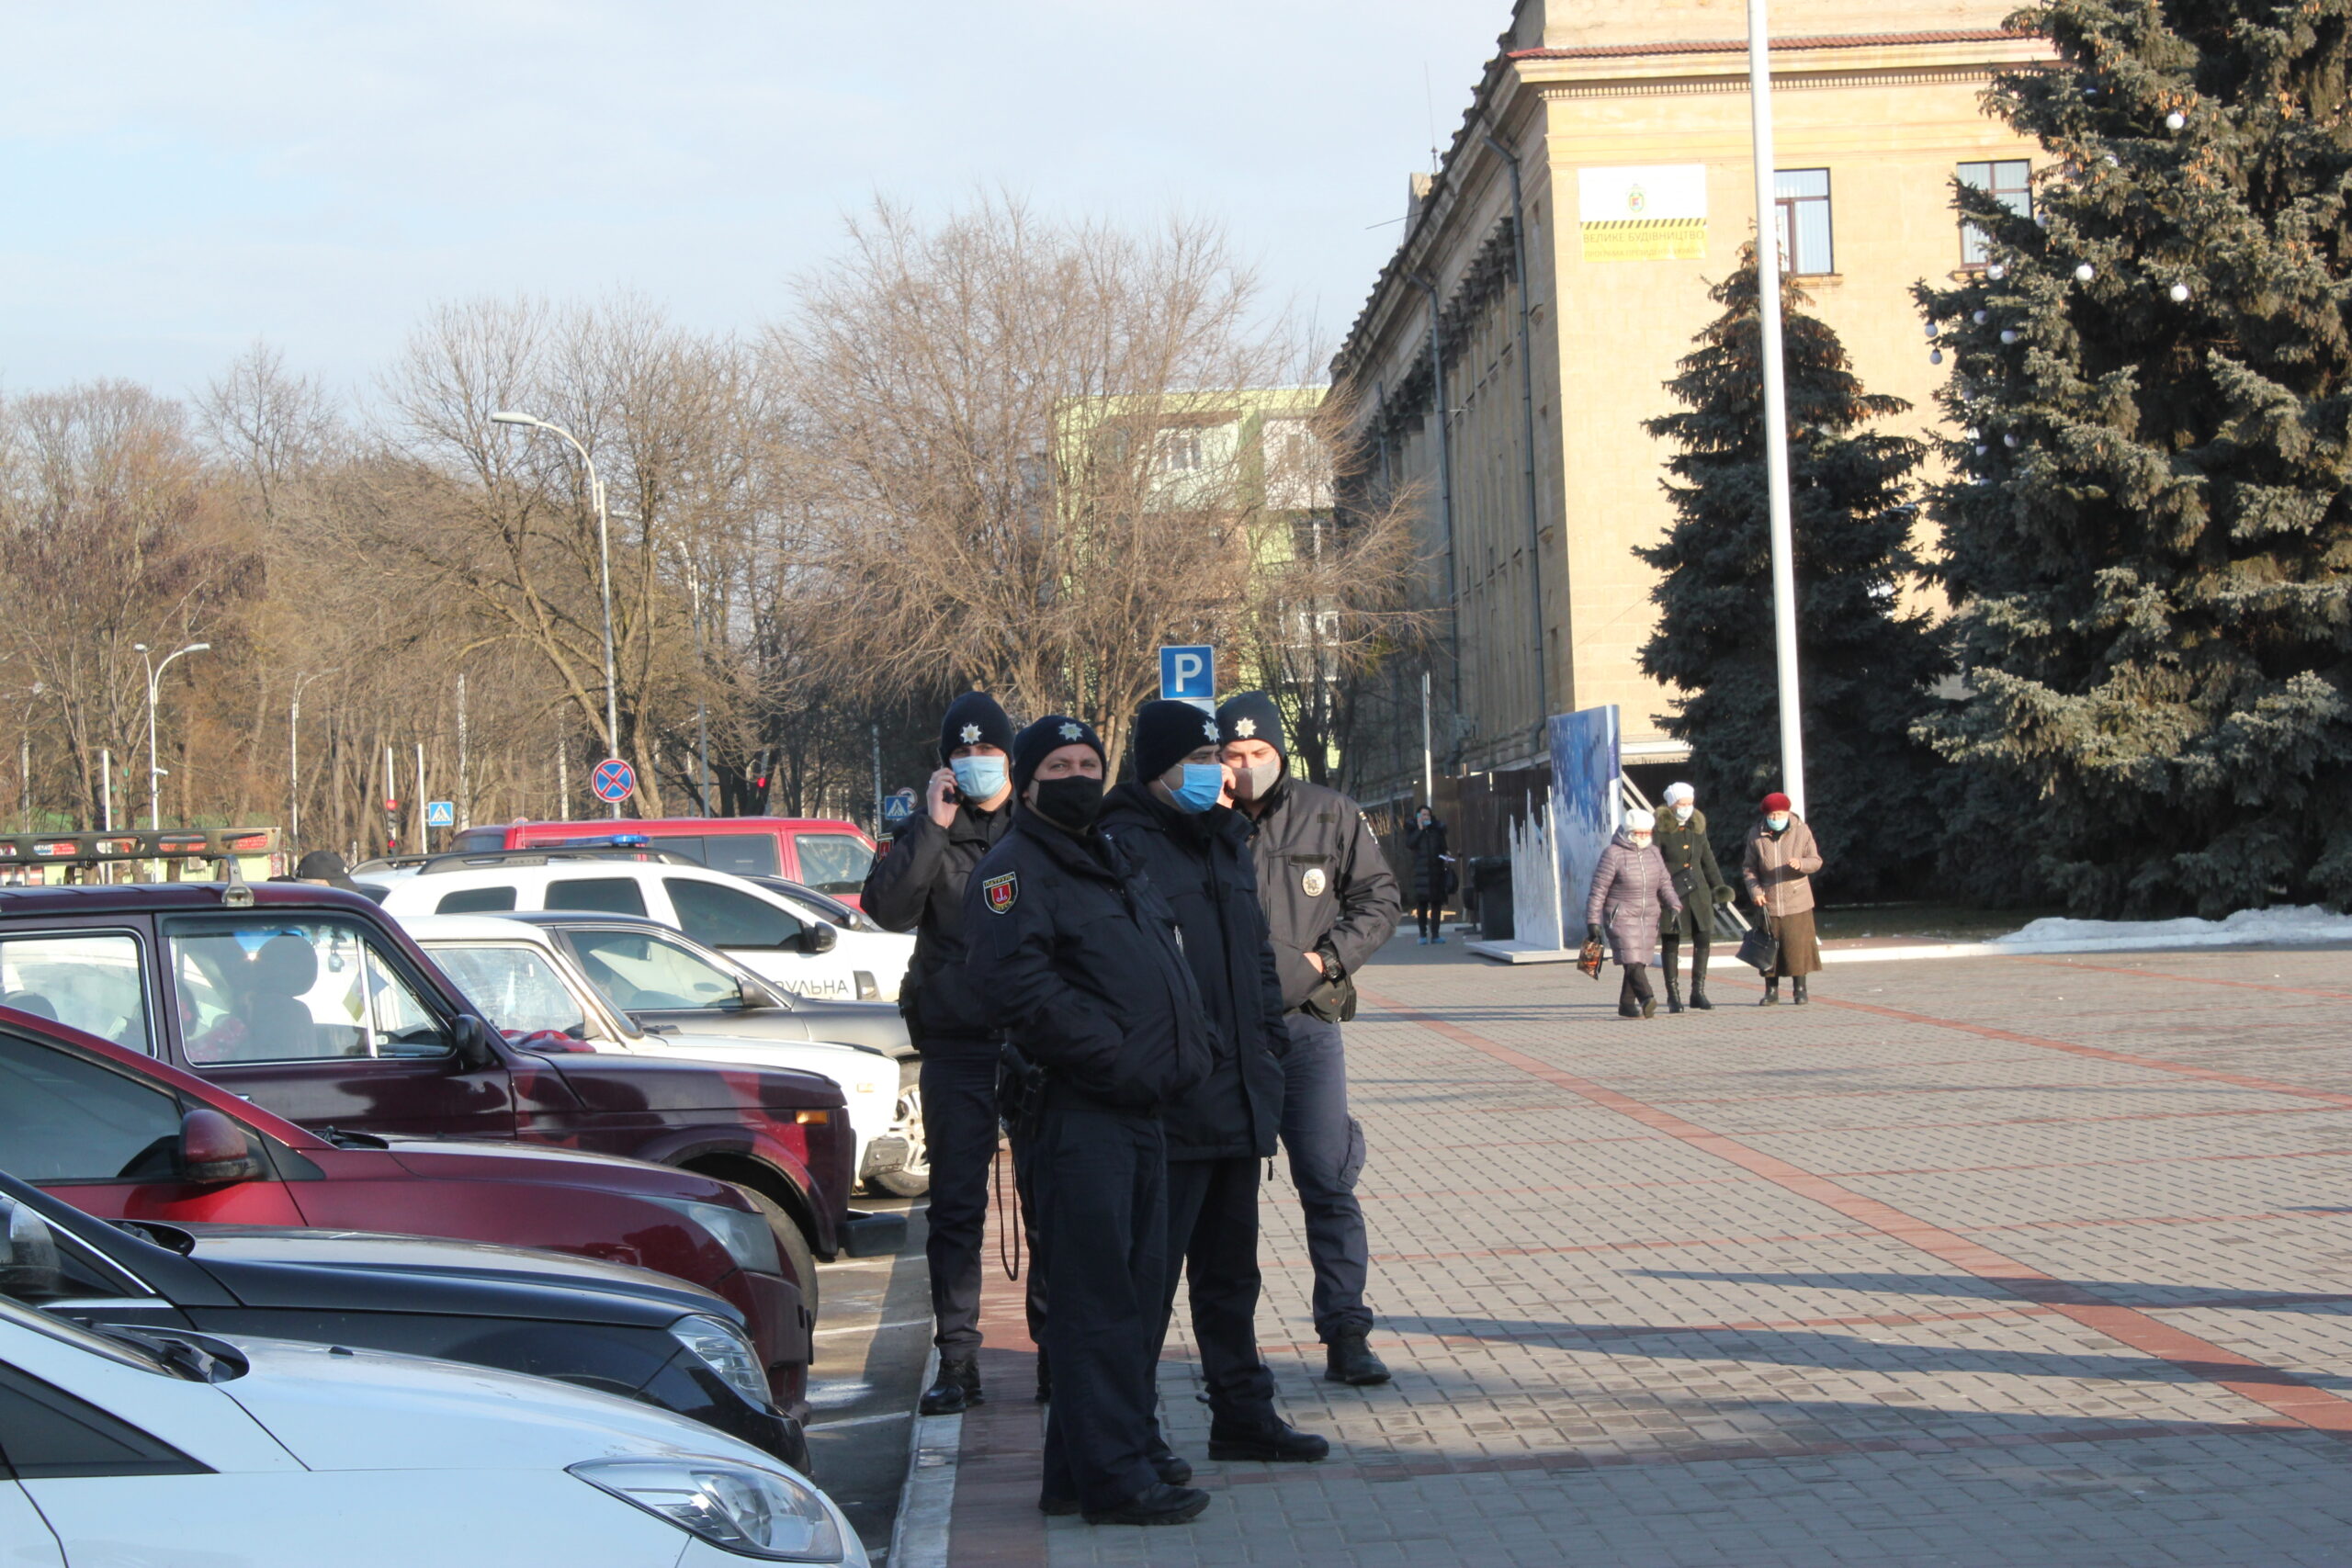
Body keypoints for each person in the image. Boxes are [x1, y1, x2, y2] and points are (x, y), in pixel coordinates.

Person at [964, 714, 1215, 1527]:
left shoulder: (1107, 857)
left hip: (1140, 1111)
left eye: (1088, 763)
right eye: (1059, 766)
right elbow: (1018, 990)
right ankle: (1117, 1481)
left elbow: (1159, 962)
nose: (1077, 776)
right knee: (1097, 1305)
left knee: (1132, 1299)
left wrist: (1190, 1043)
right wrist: (1116, 1054)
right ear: (1029, 783)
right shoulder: (1013, 869)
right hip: (1078, 1117)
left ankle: (1089, 1465)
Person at [1100, 701, 1329, 1468]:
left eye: (1217, 760)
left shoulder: (1228, 841)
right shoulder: (1122, 843)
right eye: (1197, 762)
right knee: (1148, 1285)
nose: (1216, 773)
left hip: (1235, 1095)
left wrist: (1265, 1048)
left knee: (1232, 1278)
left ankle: (1243, 1415)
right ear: (1157, 770)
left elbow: (1258, 961)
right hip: (1168, 1103)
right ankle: (1135, 1438)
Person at [1216, 691, 1402, 1386]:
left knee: (1326, 1177)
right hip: (1224, 1033)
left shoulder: (1330, 812)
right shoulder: (1200, 818)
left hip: (1307, 1026)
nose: (1244, 767)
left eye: (1257, 752)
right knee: (1224, 1194)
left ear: (1278, 752)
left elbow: (1380, 899)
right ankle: (1231, 1357)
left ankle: (1346, 1331)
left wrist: (1328, 959)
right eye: (1232, 756)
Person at [861, 691, 1017, 1416]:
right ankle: (957, 1360)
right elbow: (886, 909)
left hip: (1035, 1041)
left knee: (1047, 1200)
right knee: (956, 1207)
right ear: (946, 765)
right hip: (956, 1041)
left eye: (990, 752)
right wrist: (932, 823)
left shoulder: (1040, 824)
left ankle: (1056, 1352)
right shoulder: (934, 830)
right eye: (965, 752)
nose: (978, 763)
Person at [1585, 808, 1683, 1020]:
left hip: (1648, 915)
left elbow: (1665, 883)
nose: (1643, 837)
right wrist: (1593, 921)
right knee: (1631, 958)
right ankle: (1647, 997)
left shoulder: (1654, 853)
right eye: (1639, 833)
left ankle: (1626, 1005)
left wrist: (1674, 905)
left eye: (1647, 833)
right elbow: (1598, 889)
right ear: (1629, 831)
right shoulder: (1613, 853)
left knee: (1639, 960)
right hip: (1620, 914)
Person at [1652, 783, 1733, 1012]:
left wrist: (1719, 888)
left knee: (1703, 939)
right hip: (1671, 892)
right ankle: (1673, 995)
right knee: (1671, 941)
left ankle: (1698, 992)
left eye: (1689, 803)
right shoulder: (1659, 828)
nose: (1686, 808)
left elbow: (1707, 858)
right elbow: (1654, 861)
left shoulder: (1697, 826)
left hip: (1699, 892)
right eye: (1682, 804)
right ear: (1671, 804)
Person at [1743, 791, 1825, 1005]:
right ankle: (1771, 991)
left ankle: (1800, 990)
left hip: (1797, 898)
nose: (1776, 819)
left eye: (1780, 814)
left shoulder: (1801, 830)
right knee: (1769, 948)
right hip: (1768, 901)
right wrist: (1756, 892)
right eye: (1772, 815)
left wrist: (1801, 864)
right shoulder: (1756, 834)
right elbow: (1749, 868)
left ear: (1788, 812)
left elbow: (1815, 860)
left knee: (1797, 947)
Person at [1403, 805, 1453, 945]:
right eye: (1423, 815)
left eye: (1428, 815)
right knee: (1422, 904)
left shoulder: (1436, 830)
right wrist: (1419, 829)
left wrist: (1446, 855)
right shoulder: (1413, 829)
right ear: (1418, 816)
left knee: (1436, 904)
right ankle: (1422, 934)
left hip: (1436, 872)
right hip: (1420, 872)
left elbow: (1443, 846)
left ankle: (1435, 934)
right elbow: (1410, 844)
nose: (1426, 817)